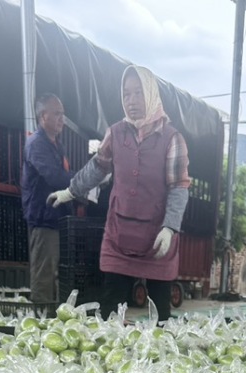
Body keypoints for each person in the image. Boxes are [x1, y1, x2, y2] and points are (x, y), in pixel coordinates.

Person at [47, 66, 190, 323]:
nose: (132, 101)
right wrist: (70, 191)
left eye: (138, 93)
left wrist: (170, 228)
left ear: (150, 94)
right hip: (119, 234)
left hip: (158, 236)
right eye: (126, 94)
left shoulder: (172, 139)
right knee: (111, 313)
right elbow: (97, 167)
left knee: (161, 319)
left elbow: (179, 186)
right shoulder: (116, 133)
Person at [21, 94, 70, 305]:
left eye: (62, 114)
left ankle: (55, 325)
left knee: (57, 277)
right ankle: (41, 326)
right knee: (44, 277)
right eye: (57, 114)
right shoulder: (36, 144)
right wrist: (85, 180)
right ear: (43, 117)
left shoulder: (57, 145)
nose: (62, 119)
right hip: (43, 220)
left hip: (57, 219)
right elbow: (55, 176)